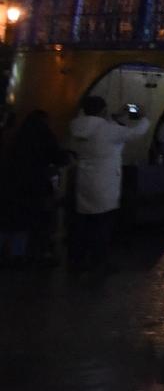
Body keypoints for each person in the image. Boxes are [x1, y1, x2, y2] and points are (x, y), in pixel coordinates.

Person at [67, 96, 151, 272]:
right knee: (103, 224)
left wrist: (115, 118)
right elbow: (135, 133)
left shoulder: (76, 126)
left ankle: (78, 259)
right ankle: (99, 261)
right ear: (103, 110)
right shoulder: (108, 130)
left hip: (84, 180)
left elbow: (102, 129)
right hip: (105, 182)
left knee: (82, 223)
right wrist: (144, 117)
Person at [0, 111, 62, 266]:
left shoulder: (14, 137)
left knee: (14, 221)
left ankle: (11, 254)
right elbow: (58, 157)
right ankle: (34, 254)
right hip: (36, 185)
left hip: (11, 184)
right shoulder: (45, 137)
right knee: (37, 220)